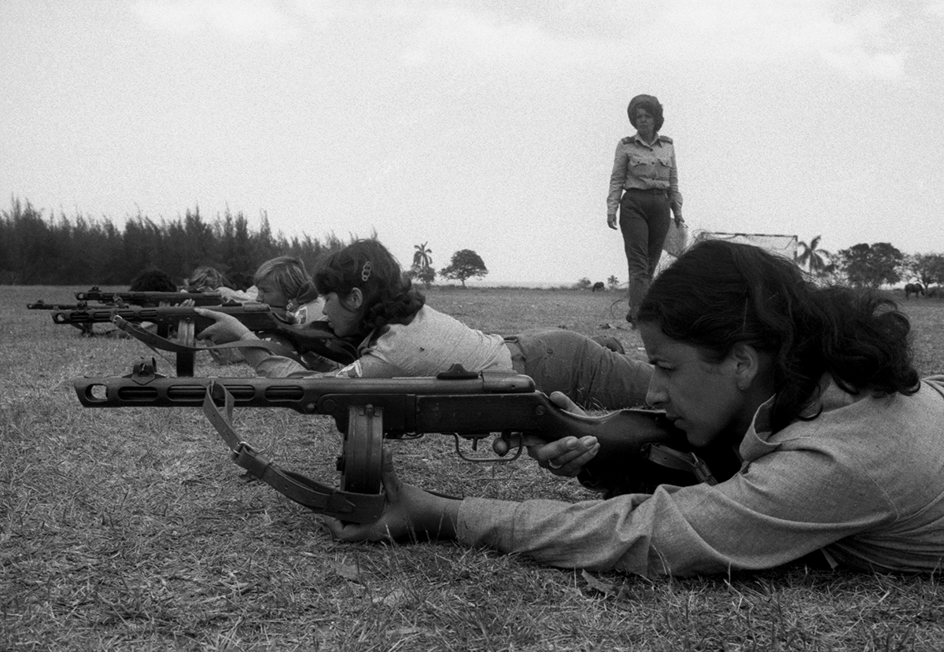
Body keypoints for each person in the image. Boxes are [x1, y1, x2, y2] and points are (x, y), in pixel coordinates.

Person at [326, 240, 944, 578]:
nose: (651, 391)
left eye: (668, 367)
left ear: (743, 361)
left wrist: (441, 514)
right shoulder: (821, 381)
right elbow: (729, 465)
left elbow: (651, 534)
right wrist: (597, 447)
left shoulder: (846, 457)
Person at [195, 239, 652, 411]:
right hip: (542, 353)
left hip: (563, 364)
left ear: (355, 298)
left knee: (668, 399)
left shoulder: (394, 349)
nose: (324, 310)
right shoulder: (394, 325)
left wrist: (249, 342)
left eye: (329, 300)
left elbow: (315, 390)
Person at [607, 94, 684, 327]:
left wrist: (677, 211)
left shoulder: (668, 145)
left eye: (647, 116)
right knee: (638, 262)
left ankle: (639, 311)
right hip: (634, 205)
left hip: (660, 206)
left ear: (655, 119)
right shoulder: (626, 145)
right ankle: (641, 316)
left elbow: (673, 181)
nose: (642, 121)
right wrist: (611, 208)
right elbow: (617, 178)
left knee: (651, 262)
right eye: (638, 116)